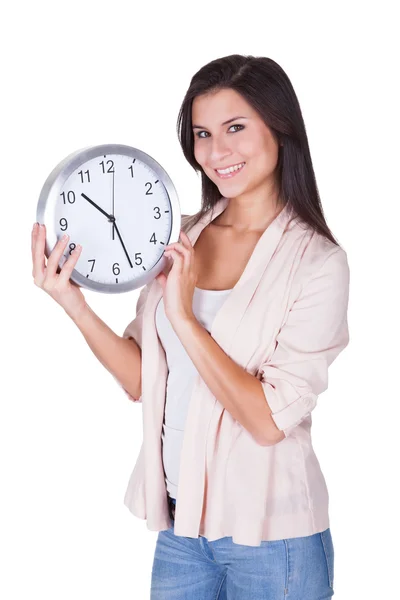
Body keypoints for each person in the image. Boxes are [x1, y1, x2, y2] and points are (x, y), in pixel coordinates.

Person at [31, 54, 350, 599]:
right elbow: (142, 379)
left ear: (281, 128)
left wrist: (182, 315)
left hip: (274, 541)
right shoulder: (178, 237)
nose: (216, 152)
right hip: (182, 531)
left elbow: (269, 420)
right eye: (202, 133)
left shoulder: (318, 263)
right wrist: (73, 303)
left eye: (235, 128)